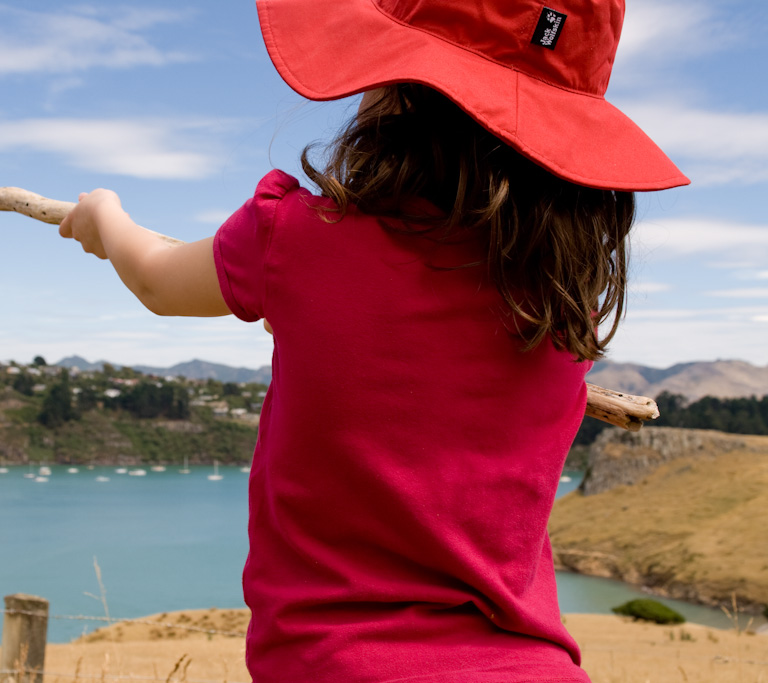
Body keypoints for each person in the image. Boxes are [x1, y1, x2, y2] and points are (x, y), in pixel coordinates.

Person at [58, 0, 688, 680]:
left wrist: (106, 219)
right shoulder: (565, 310)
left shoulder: (295, 239)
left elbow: (156, 280)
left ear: (391, 87)